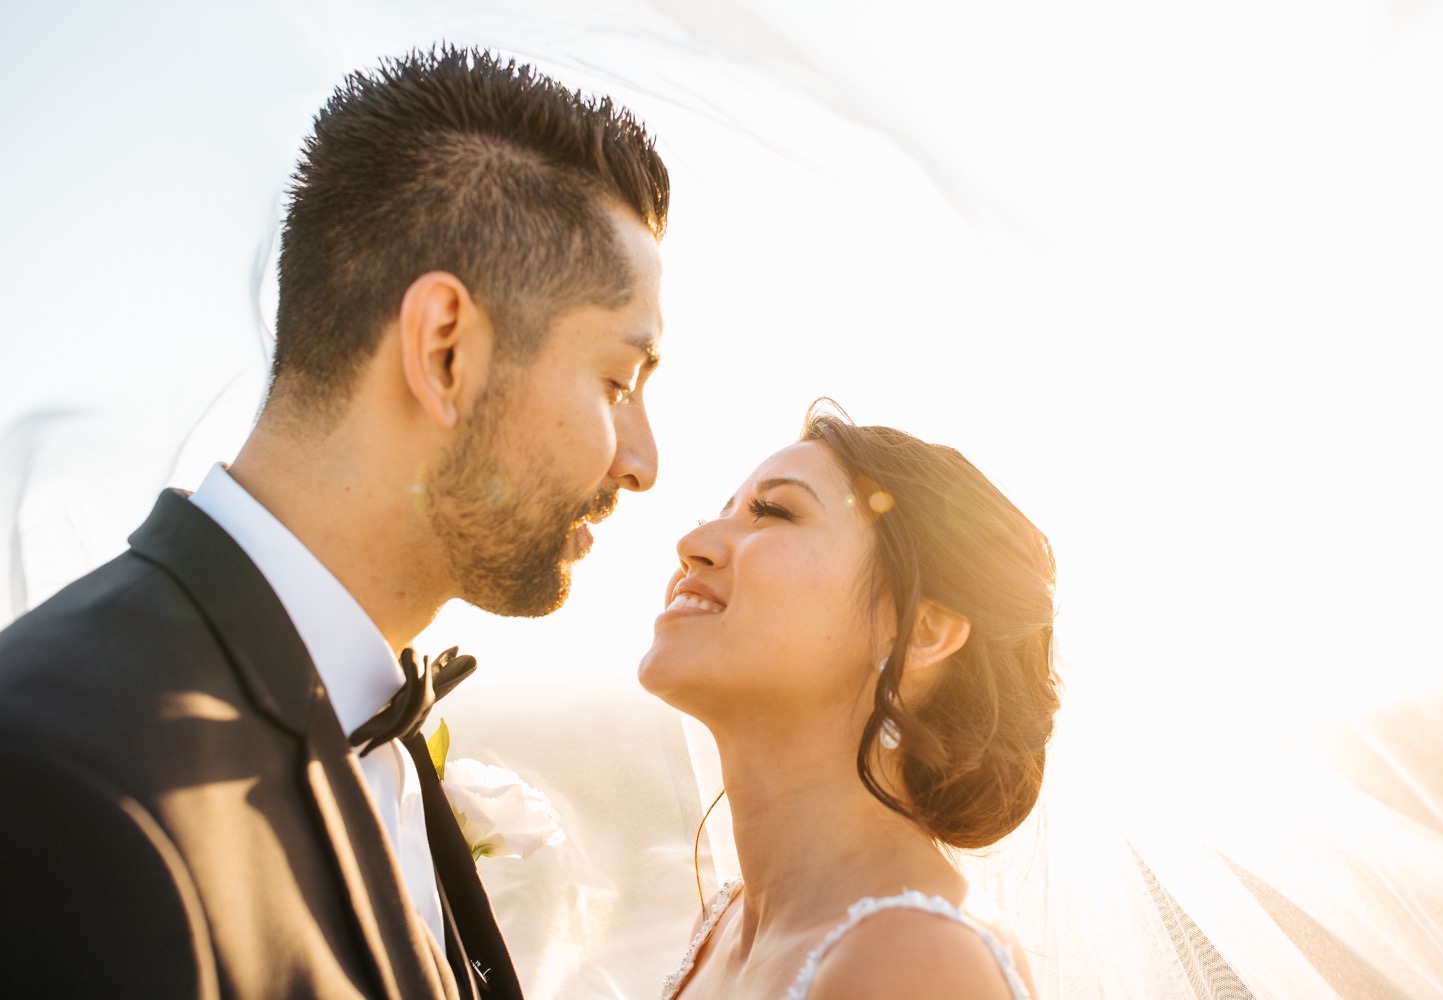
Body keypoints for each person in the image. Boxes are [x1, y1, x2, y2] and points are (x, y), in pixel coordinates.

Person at [0, 46, 668, 998]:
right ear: (445, 351)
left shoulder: (374, 728)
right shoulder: (63, 786)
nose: (641, 463)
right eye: (616, 382)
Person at [639, 406, 1059, 999]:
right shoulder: (728, 920)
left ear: (919, 634)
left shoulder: (912, 962)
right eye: (720, 512)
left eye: (775, 513)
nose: (692, 544)